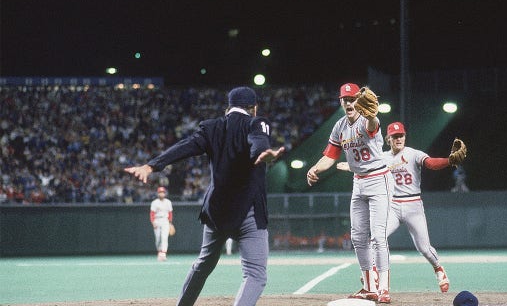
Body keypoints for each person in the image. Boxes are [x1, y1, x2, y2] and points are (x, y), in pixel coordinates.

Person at [124, 86, 285, 306]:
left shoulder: (211, 127)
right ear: (253, 108)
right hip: (249, 212)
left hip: (217, 212)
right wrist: (263, 153)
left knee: (203, 265)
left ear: (228, 107)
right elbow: (258, 141)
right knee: (255, 274)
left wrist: (152, 166)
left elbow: (185, 147)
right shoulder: (256, 122)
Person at [337, 121, 466, 293]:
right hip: (393, 206)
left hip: (413, 206)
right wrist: (351, 167)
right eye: (394, 136)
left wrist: (448, 161)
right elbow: (364, 167)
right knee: (377, 238)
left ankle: (438, 268)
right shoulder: (381, 157)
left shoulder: (413, 154)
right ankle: (374, 272)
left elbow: (431, 163)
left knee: (424, 248)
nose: (398, 139)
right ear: (388, 139)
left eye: (401, 135)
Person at [306, 83, 394, 303]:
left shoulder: (368, 120)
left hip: (378, 179)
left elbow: (373, 124)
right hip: (359, 182)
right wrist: (315, 168)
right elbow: (330, 155)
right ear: (340, 102)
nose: (348, 103)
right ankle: (369, 287)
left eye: (352, 99)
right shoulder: (339, 126)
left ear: (359, 101)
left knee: (378, 236)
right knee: (357, 236)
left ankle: (384, 288)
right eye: (345, 100)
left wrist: (373, 114)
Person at [150, 186, 173, 261]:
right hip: (157, 220)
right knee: (158, 238)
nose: (161, 194)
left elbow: (170, 213)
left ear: (165, 193)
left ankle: (163, 253)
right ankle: (159, 252)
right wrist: (153, 222)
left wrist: (170, 223)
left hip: (165, 221)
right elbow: (152, 213)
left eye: (163, 192)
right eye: (160, 192)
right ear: (158, 193)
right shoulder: (154, 202)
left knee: (164, 237)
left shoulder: (168, 202)